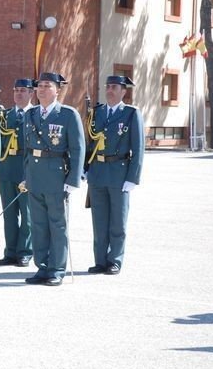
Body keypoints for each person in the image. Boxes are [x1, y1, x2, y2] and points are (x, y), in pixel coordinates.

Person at [22, 72, 85, 286]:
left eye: (47, 85)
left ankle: (57, 269)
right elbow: (26, 149)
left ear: (57, 90)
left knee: (57, 224)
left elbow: (78, 148)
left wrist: (73, 179)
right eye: (39, 85)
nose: (41, 89)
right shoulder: (30, 115)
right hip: (35, 176)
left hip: (57, 175)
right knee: (38, 224)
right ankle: (42, 266)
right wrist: (25, 176)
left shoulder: (67, 114)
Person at [85, 75, 144, 275]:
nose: (110, 90)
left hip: (119, 173)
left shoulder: (130, 113)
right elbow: (88, 142)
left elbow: (138, 148)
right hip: (97, 172)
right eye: (108, 86)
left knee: (118, 221)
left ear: (123, 92)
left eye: (114, 87)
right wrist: (85, 168)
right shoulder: (96, 112)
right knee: (99, 220)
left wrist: (132, 178)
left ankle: (115, 260)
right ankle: (100, 260)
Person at [0, 78, 35, 267]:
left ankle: (25, 251)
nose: (18, 94)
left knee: (27, 214)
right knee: (9, 214)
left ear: (31, 93)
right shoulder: (5, 115)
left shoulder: (35, 115)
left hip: (26, 168)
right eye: (16, 90)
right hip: (7, 167)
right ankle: (10, 251)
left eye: (23, 90)